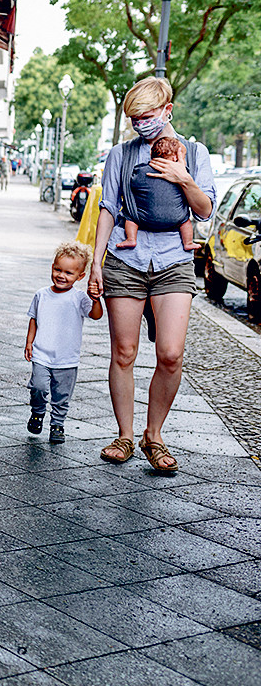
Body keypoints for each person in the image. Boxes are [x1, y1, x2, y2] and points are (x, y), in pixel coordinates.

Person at [89, 77, 215, 472]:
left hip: (174, 259)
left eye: (147, 115)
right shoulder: (121, 154)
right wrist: (95, 262)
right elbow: (108, 208)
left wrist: (184, 178)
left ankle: (153, 435)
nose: (141, 123)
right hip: (126, 258)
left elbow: (205, 210)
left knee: (171, 354)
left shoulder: (194, 152)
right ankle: (125, 436)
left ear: (167, 110)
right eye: (134, 118)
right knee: (124, 352)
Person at [24, 242, 104, 443]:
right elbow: (34, 319)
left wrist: (95, 299)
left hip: (67, 358)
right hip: (41, 354)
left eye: (69, 273)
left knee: (62, 395)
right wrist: (29, 342)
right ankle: (37, 412)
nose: (61, 275)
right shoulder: (41, 295)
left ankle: (57, 424)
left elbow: (96, 315)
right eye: (58, 270)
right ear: (52, 267)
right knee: (38, 387)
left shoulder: (79, 297)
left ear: (80, 276)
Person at [116, 137, 200, 252]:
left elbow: (131, 184)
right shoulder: (184, 174)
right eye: (183, 157)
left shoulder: (140, 171)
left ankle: (131, 239)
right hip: (176, 219)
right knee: (186, 222)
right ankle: (188, 242)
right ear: (176, 158)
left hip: (143, 219)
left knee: (130, 217)